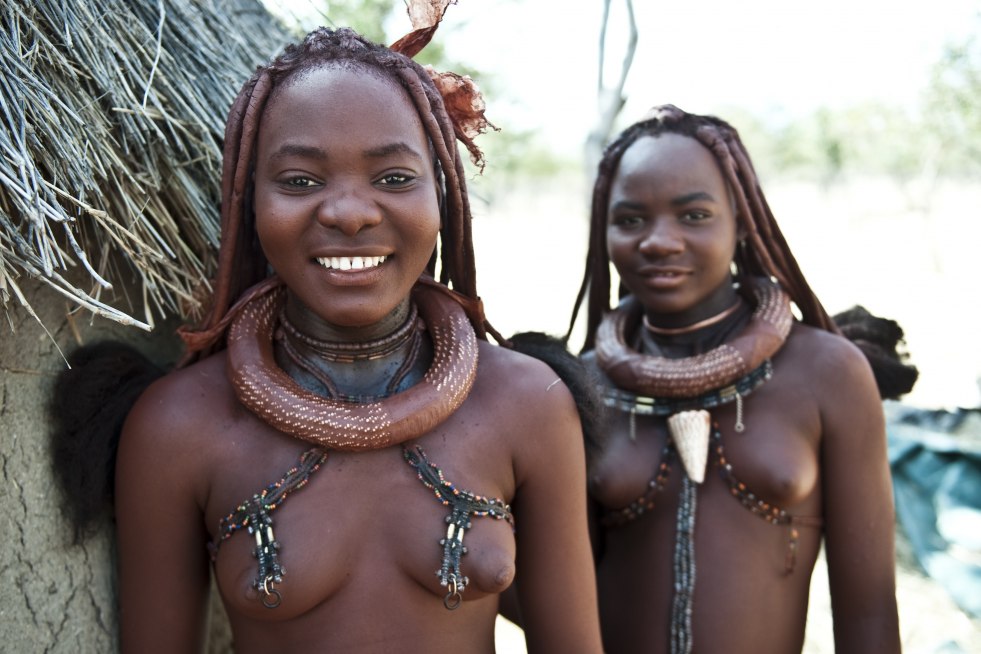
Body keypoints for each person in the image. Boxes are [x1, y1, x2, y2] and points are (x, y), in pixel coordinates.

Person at [52, 20, 603, 654]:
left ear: (443, 189)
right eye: (300, 181)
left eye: (394, 178)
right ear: (249, 201)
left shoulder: (527, 403)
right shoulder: (179, 427)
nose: (349, 212)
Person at [567, 104, 915, 654]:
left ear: (740, 219)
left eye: (694, 215)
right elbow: (556, 600)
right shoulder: (584, 387)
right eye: (630, 219)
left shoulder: (827, 373)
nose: (659, 241)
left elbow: (868, 609)